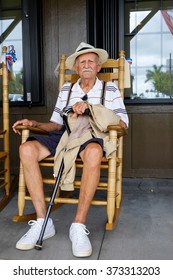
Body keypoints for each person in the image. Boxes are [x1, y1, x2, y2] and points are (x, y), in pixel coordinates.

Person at [12, 42, 129, 258]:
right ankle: (42, 222)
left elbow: (123, 124)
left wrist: (92, 110)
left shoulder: (109, 89)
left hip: (91, 136)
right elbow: (55, 125)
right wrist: (35, 124)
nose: (86, 65)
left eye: (90, 61)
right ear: (75, 69)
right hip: (64, 135)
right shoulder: (67, 90)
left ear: (98, 66)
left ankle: (78, 225)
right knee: (26, 149)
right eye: (81, 62)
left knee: (94, 152)